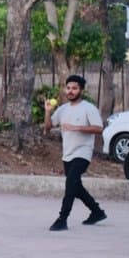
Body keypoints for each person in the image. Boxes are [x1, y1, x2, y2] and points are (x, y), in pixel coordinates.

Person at [43, 75, 106, 231]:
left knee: (70, 183)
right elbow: (48, 127)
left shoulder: (89, 108)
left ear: (81, 90)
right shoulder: (62, 109)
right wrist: (47, 112)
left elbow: (98, 128)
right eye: (68, 88)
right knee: (76, 187)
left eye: (74, 88)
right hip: (68, 153)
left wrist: (76, 127)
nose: (70, 91)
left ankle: (62, 219)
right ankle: (97, 212)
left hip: (83, 153)